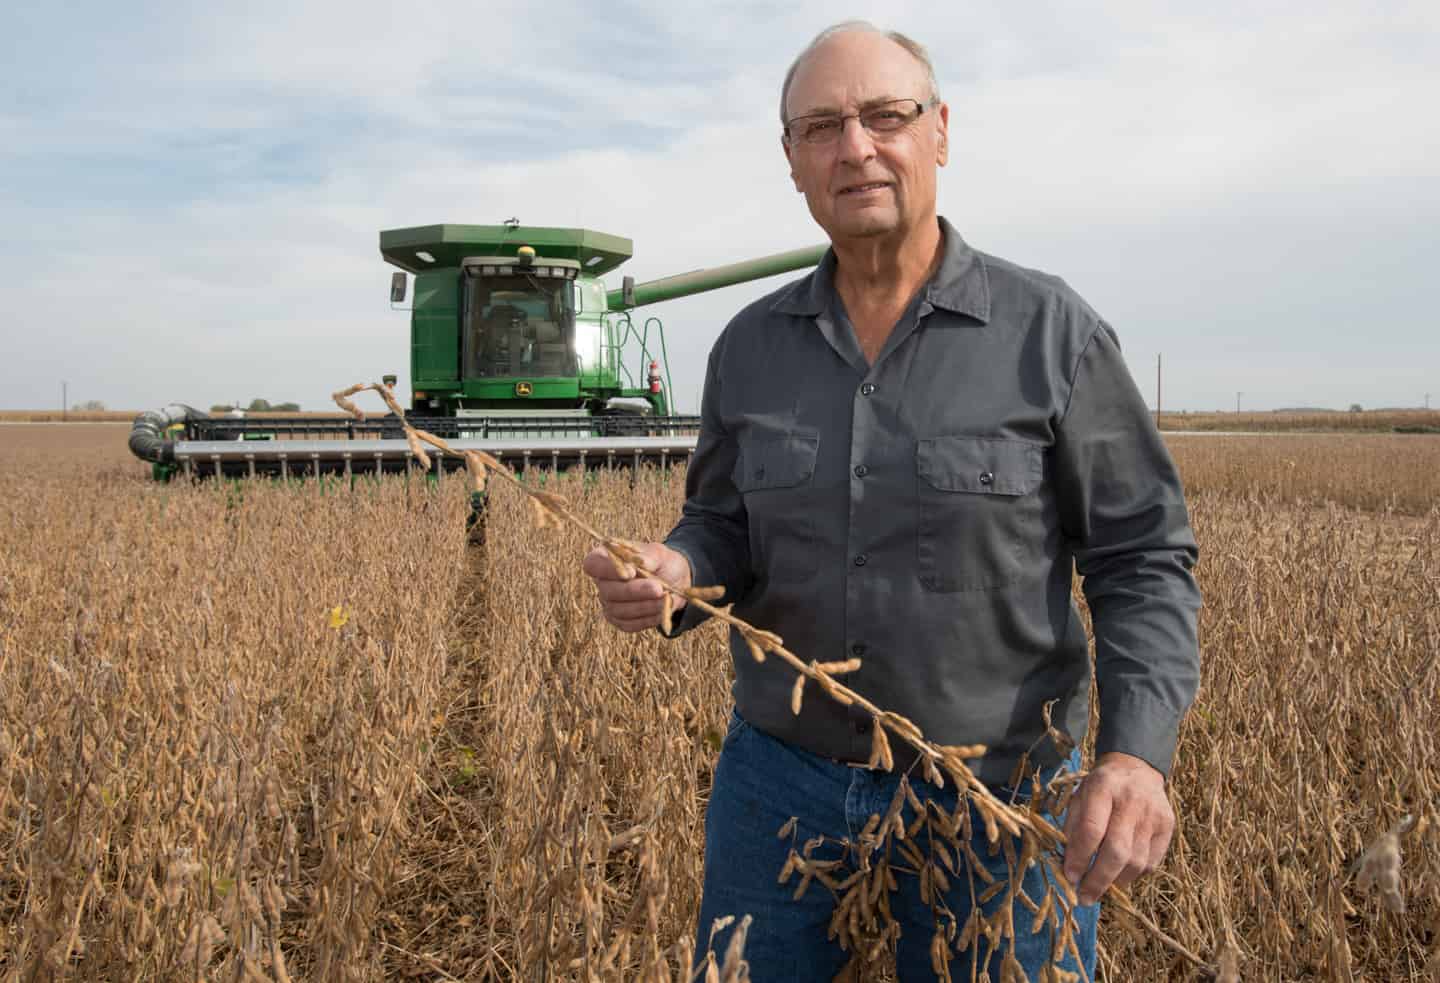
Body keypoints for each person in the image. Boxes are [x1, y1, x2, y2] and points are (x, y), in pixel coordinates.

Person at [582, 20, 1200, 981]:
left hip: (999, 797)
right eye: (822, 127)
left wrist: (1136, 756)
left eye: (885, 116)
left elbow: (1143, 558)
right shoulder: (748, 348)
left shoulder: (1054, 336)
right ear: (792, 161)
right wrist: (678, 570)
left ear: (940, 132)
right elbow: (720, 525)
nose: (855, 147)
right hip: (779, 782)